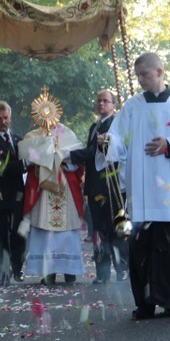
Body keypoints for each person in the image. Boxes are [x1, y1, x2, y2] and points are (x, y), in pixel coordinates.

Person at [99, 52, 170, 320]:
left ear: (160, 72)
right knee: (143, 248)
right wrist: (107, 141)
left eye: (145, 74)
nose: (140, 80)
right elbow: (118, 140)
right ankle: (146, 303)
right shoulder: (132, 107)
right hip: (144, 191)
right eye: (138, 75)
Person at [18, 90, 85, 285]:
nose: (48, 116)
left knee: (66, 232)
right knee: (44, 232)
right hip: (43, 189)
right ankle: (47, 272)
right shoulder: (33, 135)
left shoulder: (66, 132)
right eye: (43, 112)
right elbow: (26, 159)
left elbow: (77, 159)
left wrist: (61, 156)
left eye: (50, 111)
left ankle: (69, 270)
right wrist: (44, 154)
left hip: (64, 188)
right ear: (38, 114)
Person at [67, 90, 128, 284]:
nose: (101, 104)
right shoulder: (95, 126)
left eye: (105, 101)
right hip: (94, 185)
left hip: (111, 185)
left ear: (113, 105)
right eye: (99, 100)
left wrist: (69, 155)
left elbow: (95, 151)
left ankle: (122, 269)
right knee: (98, 231)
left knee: (115, 229)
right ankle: (102, 272)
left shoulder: (116, 124)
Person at [0, 100, 27, 287]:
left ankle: (17, 267)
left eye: (6, 117)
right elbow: (1, 166)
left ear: (10, 117)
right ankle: (3, 270)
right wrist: (24, 164)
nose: (3, 121)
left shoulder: (18, 139)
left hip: (18, 193)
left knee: (18, 233)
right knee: (0, 234)